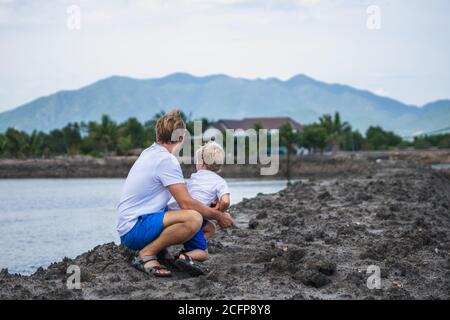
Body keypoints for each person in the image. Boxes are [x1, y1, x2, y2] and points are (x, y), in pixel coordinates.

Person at [117, 110, 234, 277]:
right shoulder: (167, 160)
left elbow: (183, 197)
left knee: (205, 225)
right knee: (194, 218)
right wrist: (219, 215)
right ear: (181, 138)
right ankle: (146, 254)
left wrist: (211, 208)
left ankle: (162, 251)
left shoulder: (150, 152)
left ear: (158, 134)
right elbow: (187, 203)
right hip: (134, 230)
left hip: (130, 225)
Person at [169, 141, 230, 262]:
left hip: (176, 213)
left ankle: (189, 247)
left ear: (201, 163)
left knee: (210, 228)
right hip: (193, 217)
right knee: (204, 254)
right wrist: (220, 212)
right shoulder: (220, 182)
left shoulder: (194, 177)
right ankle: (186, 256)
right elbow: (225, 202)